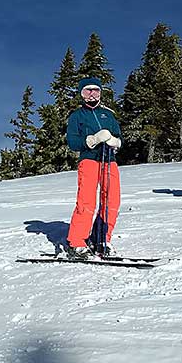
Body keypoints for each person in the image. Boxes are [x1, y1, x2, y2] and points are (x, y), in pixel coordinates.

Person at [65, 77, 122, 259]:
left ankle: (101, 239)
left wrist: (115, 142)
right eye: (87, 91)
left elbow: (119, 137)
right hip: (89, 160)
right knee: (86, 201)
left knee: (112, 201)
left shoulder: (108, 115)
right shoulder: (77, 116)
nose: (92, 94)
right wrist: (90, 140)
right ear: (81, 94)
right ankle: (77, 242)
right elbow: (72, 141)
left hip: (109, 160)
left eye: (95, 90)